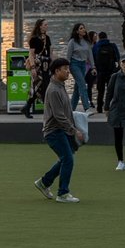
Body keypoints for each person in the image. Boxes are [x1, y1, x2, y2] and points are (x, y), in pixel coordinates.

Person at [33, 57, 83, 203]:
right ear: (56, 71)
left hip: (61, 130)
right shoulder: (54, 90)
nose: (68, 72)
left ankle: (44, 182)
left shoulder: (60, 86)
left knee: (65, 159)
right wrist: (74, 130)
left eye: (68, 68)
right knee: (68, 159)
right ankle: (63, 193)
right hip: (54, 132)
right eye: (65, 69)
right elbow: (59, 116)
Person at [23, 18, 53, 119]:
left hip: (46, 65)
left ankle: (27, 106)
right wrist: (32, 68)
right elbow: (31, 54)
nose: (47, 26)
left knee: (43, 87)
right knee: (39, 86)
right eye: (45, 25)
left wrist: (54, 64)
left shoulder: (47, 38)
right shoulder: (34, 39)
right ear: (39, 26)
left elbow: (50, 53)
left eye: (47, 25)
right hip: (38, 65)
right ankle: (48, 111)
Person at [65, 22, 95, 113]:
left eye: (84, 28)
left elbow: (90, 55)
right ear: (77, 31)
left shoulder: (87, 42)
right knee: (82, 84)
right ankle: (86, 108)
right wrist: (66, 68)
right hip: (74, 64)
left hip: (83, 65)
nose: (83, 30)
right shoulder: (72, 42)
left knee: (77, 88)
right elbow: (68, 56)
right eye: (81, 28)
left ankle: (71, 109)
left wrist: (93, 67)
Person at [91, 30, 119, 114]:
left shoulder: (96, 47)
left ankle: (99, 108)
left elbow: (93, 59)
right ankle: (112, 106)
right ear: (107, 37)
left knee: (100, 91)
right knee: (111, 90)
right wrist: (116, 69)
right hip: (111, 71)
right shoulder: (112, 46)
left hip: (100, 72)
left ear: (99, 37)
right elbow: (117, 58)